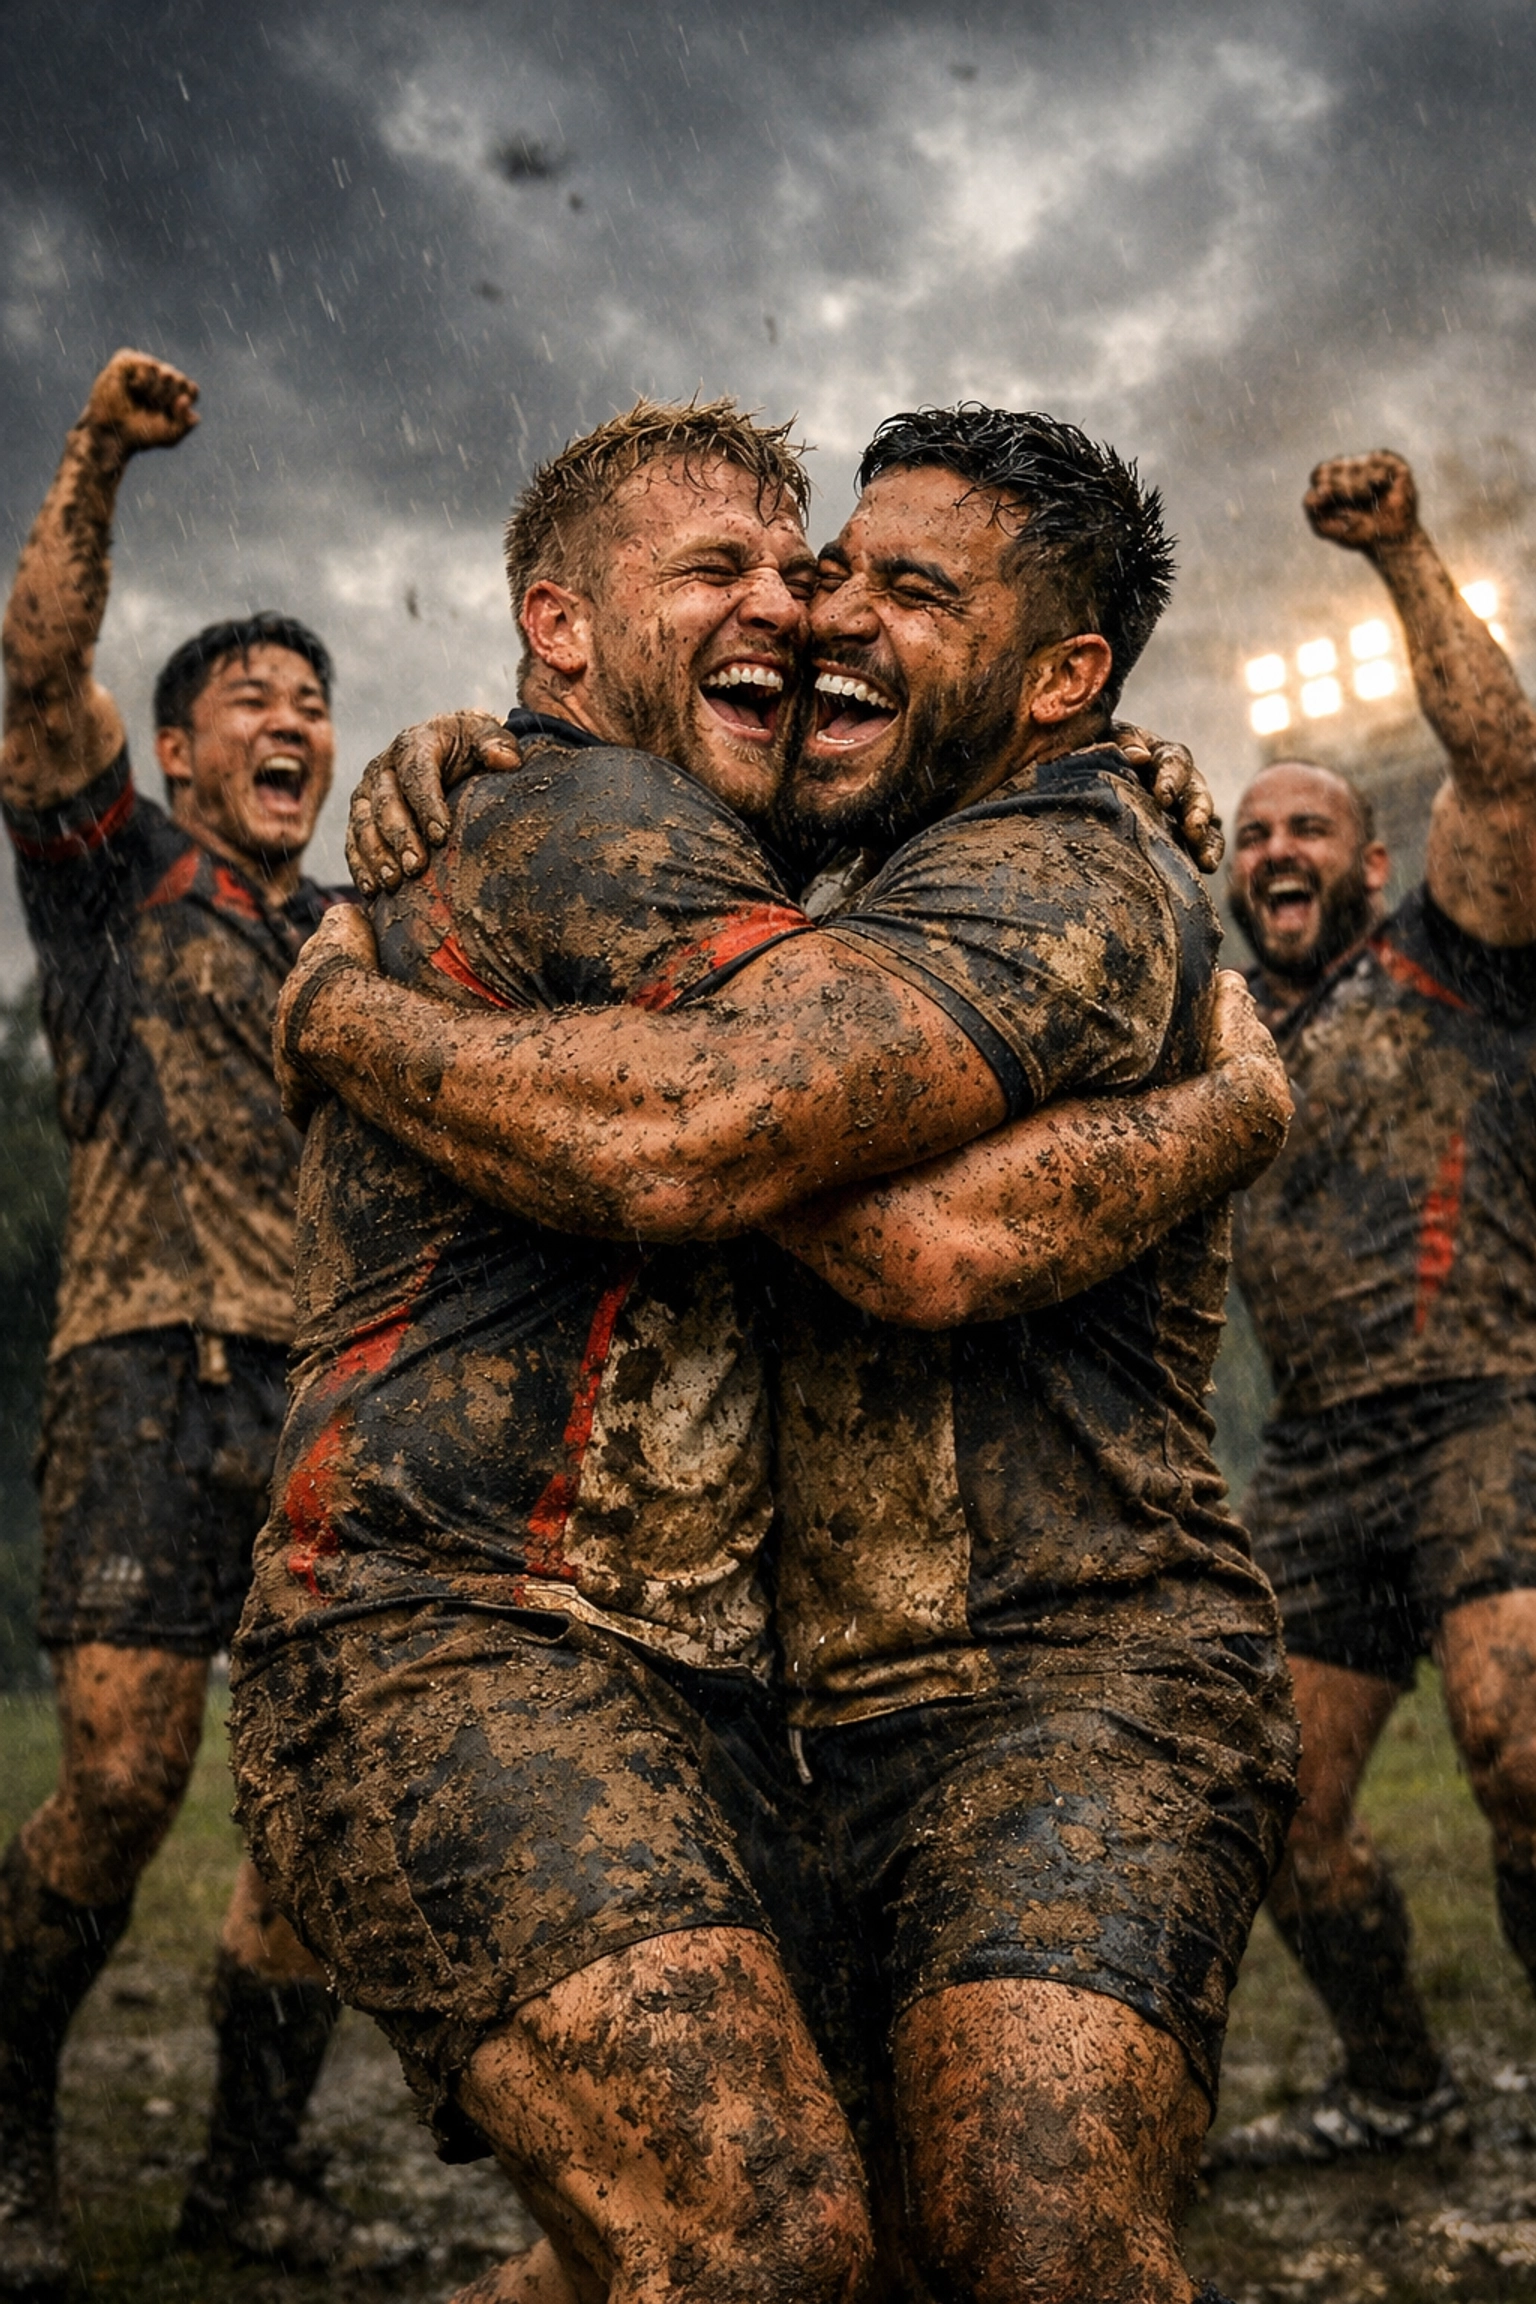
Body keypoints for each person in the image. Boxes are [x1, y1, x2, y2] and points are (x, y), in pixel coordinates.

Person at [266, 400, 1297, 2304]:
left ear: (1063, 675)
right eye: (800, 569)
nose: (813, 612)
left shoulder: (1062, 864)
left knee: (981, 2242)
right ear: (560, 628)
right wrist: (466, 789)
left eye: (892, 585)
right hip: (559, 1650)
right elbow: (725, 1108)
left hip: (1074, 1665)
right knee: (773, 2242)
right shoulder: (644, 831)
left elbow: (854, 1208)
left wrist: (344, 1012)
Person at [0, 350, 361, 2295]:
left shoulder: (350, 945)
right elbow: (35, 673)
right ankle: (7, 2151)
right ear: (183, 752)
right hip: (145, 1378)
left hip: (324, 1419)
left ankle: (246, 2180)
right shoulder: (109, 877)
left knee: (306, 1830)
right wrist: (98, 454)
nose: (295, 721)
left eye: (317, 700)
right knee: (126, 1790)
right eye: (254, 703)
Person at [1208, 449, 1536, 2168]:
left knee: (1522, 1740)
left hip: (1490, 1405)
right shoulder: (1222, 1046)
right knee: (1273, 1819)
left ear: (1372, 855)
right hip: (1325, 1463)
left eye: (1308, 826)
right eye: (1254, 831)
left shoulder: (1450, 950)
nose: (1276, 850)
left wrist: (1404, 552)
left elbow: (1509, 753)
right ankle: (1401, 2084)